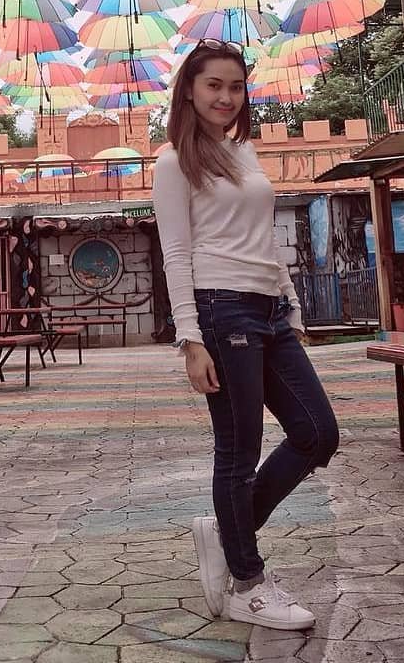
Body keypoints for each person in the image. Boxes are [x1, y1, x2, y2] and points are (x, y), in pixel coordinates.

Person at [151, 40, 339, 631]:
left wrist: (293, 306)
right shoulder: (173, 162)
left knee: (317, 433)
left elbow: (264, 238)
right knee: (240, 449)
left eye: (235, 87)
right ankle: (248, 585)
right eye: (214, 85)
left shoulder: (245, 152)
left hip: (269, 311)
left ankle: (227, 532)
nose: (226, 97)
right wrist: (190, 339)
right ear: (189, 91)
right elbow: (175, 254)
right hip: (221, 310)